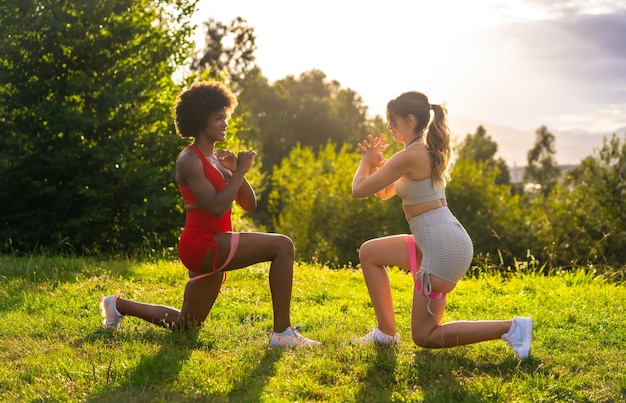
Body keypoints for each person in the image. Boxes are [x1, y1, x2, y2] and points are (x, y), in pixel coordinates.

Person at [99, 80, 319, 348]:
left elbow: (249, 204)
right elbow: (215, 206)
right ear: (201, 119)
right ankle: (282, 333)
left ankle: (117, 305)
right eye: (218, 118)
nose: (224, 123)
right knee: (283, 246)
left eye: (225, 117)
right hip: (203, 243)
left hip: (214, 242)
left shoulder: (216, 160)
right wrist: (239, 172)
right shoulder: (189, 159)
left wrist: (235, 170)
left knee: (186, 326)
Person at [350, 91, 532, 359]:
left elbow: (359, 190)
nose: (389, 126)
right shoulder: (418, 152)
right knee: (370, 252)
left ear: (410, 120)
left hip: (442, 249)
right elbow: (384, 192)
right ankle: (386, 334)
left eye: (393, 120)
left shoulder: (411, 155)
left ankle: (513, 328)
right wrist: (376, 165)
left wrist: (365, 162)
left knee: (425, 336)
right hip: (438, 241)